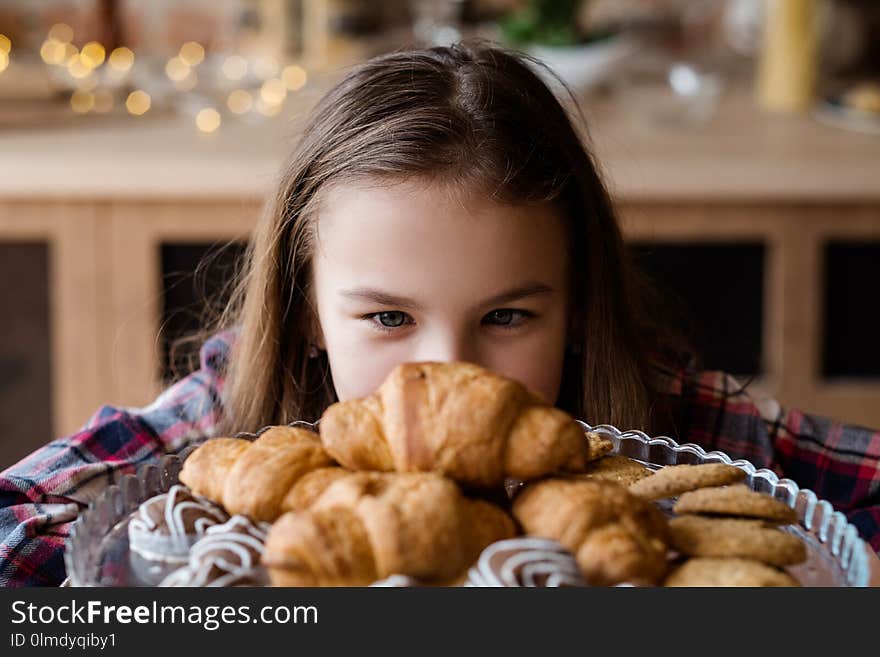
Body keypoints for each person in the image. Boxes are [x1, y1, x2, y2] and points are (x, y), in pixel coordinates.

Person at [1, 41, 877, 587]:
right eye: (387, 318)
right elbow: (18, 524)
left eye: (506, 316)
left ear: (576, 308)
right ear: (307, 309)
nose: (451, 372)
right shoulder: (232, 432)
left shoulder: (669, 424)